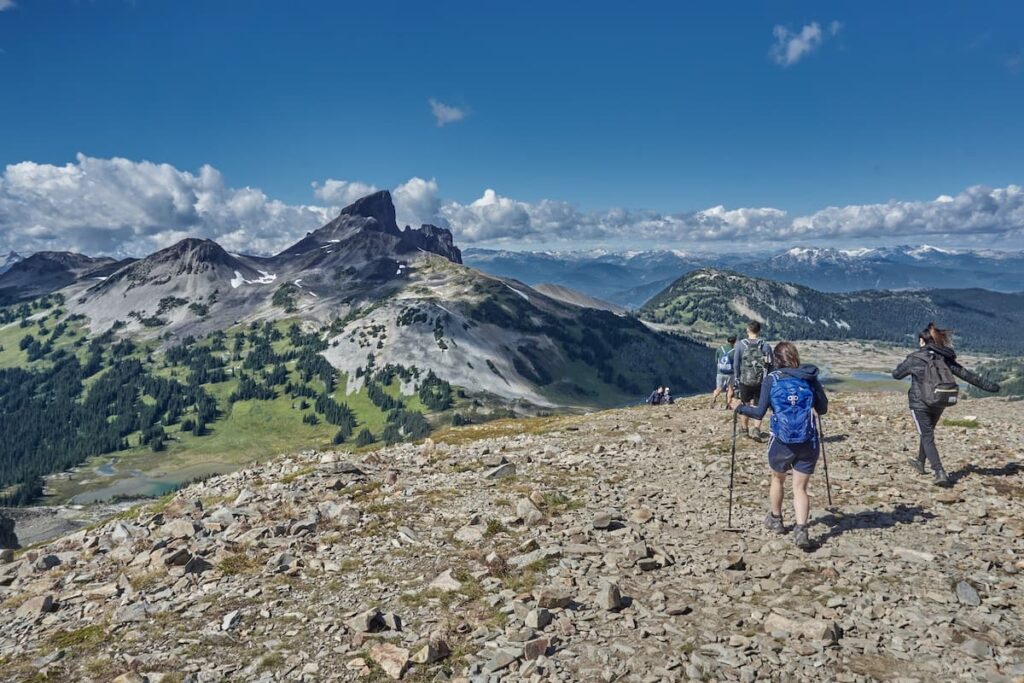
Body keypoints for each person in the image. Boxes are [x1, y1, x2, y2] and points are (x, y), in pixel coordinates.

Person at [736, 341, 827, 550]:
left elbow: (758, 412)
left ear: (776, 360)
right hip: (808, 440)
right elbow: (822, 409)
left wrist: (739, 408)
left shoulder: (772, 379)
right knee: (800, 487)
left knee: (778, 479)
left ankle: (776, 519)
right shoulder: (809, 378)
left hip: (781, 441)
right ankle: (802, 530)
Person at [891, 322, 1000, 487]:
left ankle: (939, 471)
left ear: (922, 341)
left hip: (920, 404)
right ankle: (920, 462)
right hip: (939, 402)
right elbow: (968, 376)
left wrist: (905, 368)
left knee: (926, 435)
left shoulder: (914, 358)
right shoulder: (945, 358)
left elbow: (896, 375)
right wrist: (992, 387)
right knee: (927, 433)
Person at [732, 321, 773, 441]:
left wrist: (737, 379)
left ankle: (744, 430)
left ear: (747, 330)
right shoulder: (765, 346)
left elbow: (735, 364)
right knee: (758, 405)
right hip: (761, 381)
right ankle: (756, 430)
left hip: (744, 381)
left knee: (744, 404)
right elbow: (771, 365)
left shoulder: (740, 345)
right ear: (759, 331)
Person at [710, 335, 737, 408]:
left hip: (720, 372)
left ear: (727, 341)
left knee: (719, 388)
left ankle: (713, 398)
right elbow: (736, 363)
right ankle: (728, 404)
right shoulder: (735, 351)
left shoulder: (720, 349)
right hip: (730, 373)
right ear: (735, 342)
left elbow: (716, 360)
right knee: (730, 388)